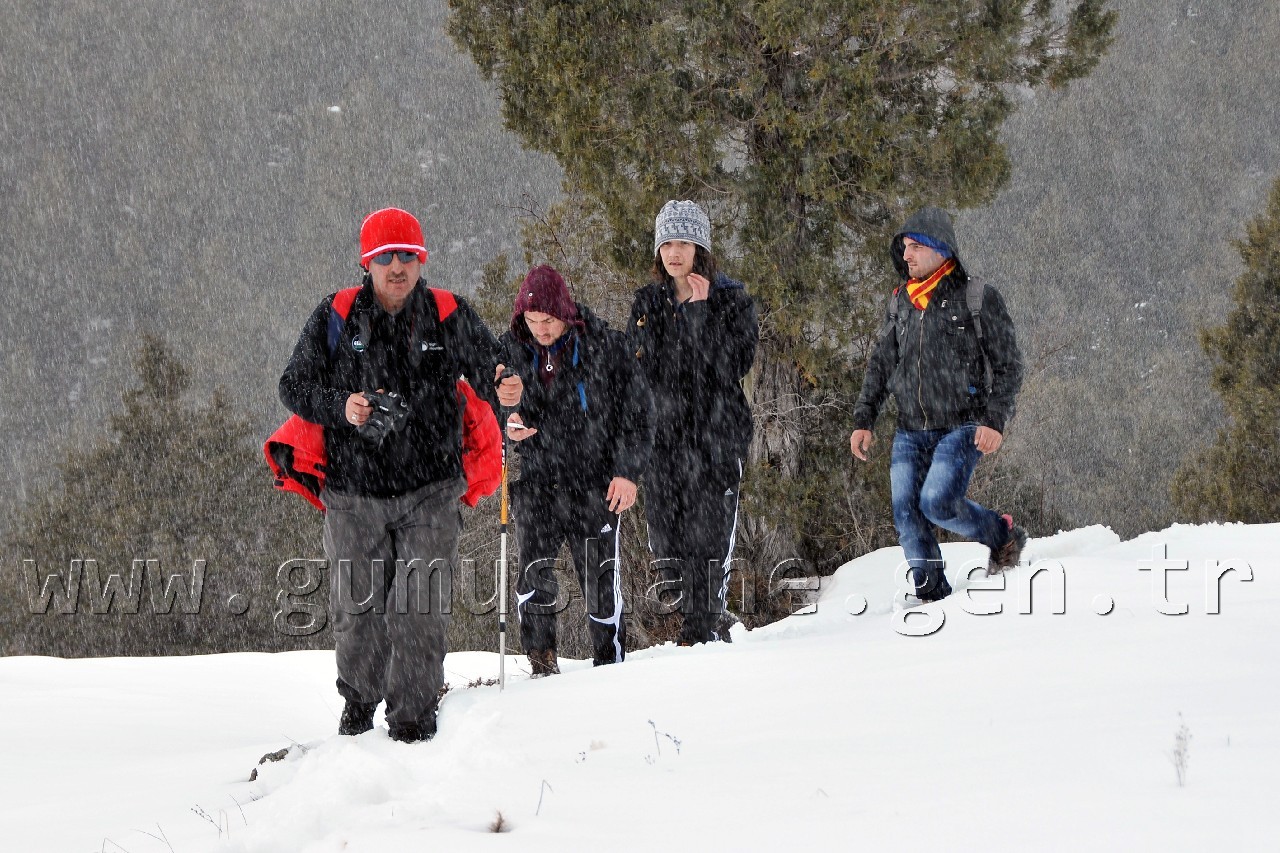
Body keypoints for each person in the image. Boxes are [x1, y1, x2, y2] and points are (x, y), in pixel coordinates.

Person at [279, 207, 522, 742]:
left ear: (421, 261)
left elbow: (491, 363)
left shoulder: (446, 311)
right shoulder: (336, 315)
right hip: (353, 491)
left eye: (408, 256)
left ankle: (413, 719)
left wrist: (504, 381)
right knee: (358, 614)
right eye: (386, 257)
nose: (397, 266)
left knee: (420, 608)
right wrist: (343, 406)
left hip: (430, 490)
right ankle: (360, 706)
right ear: (367, 263)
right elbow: (293, 386)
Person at [849, 207, 1026, 602]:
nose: (906, 255)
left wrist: (995, 421)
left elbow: (1009, 366)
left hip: (963, 426)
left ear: (941, 250)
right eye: (904, 248)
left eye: (915, 246)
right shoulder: (901, 302)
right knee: (907, 516)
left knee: (938, 502)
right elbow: (881, 363)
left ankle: (1002, 536)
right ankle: (932, 597)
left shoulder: (976, 297)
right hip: (910, 429)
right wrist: (864, 419)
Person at [501, 265, 654, 675]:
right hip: (537, 481)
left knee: (601, 583)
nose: (540, 330)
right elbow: (483, 411)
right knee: (534, 578)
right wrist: (507, 426)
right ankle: (541, 665)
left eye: (547, 320)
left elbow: (639, 416)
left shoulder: (605, 346)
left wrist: (627, 472)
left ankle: (611, 666)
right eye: (531, 321)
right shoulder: (509, 351)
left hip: (595, 484)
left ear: (565, 313)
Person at [629, 200, 758, 645]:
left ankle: (701, 635)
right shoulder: (647, 303)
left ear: (700, 246)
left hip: (716, 440)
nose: (673, 252)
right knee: (666, 546)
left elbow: (731, 365)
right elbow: (636, 372)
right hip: (663, 444)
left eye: (682, 241)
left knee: (708, 544)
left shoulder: (733, 299)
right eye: (666, 242)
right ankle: (702, 623)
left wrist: (702, 313)